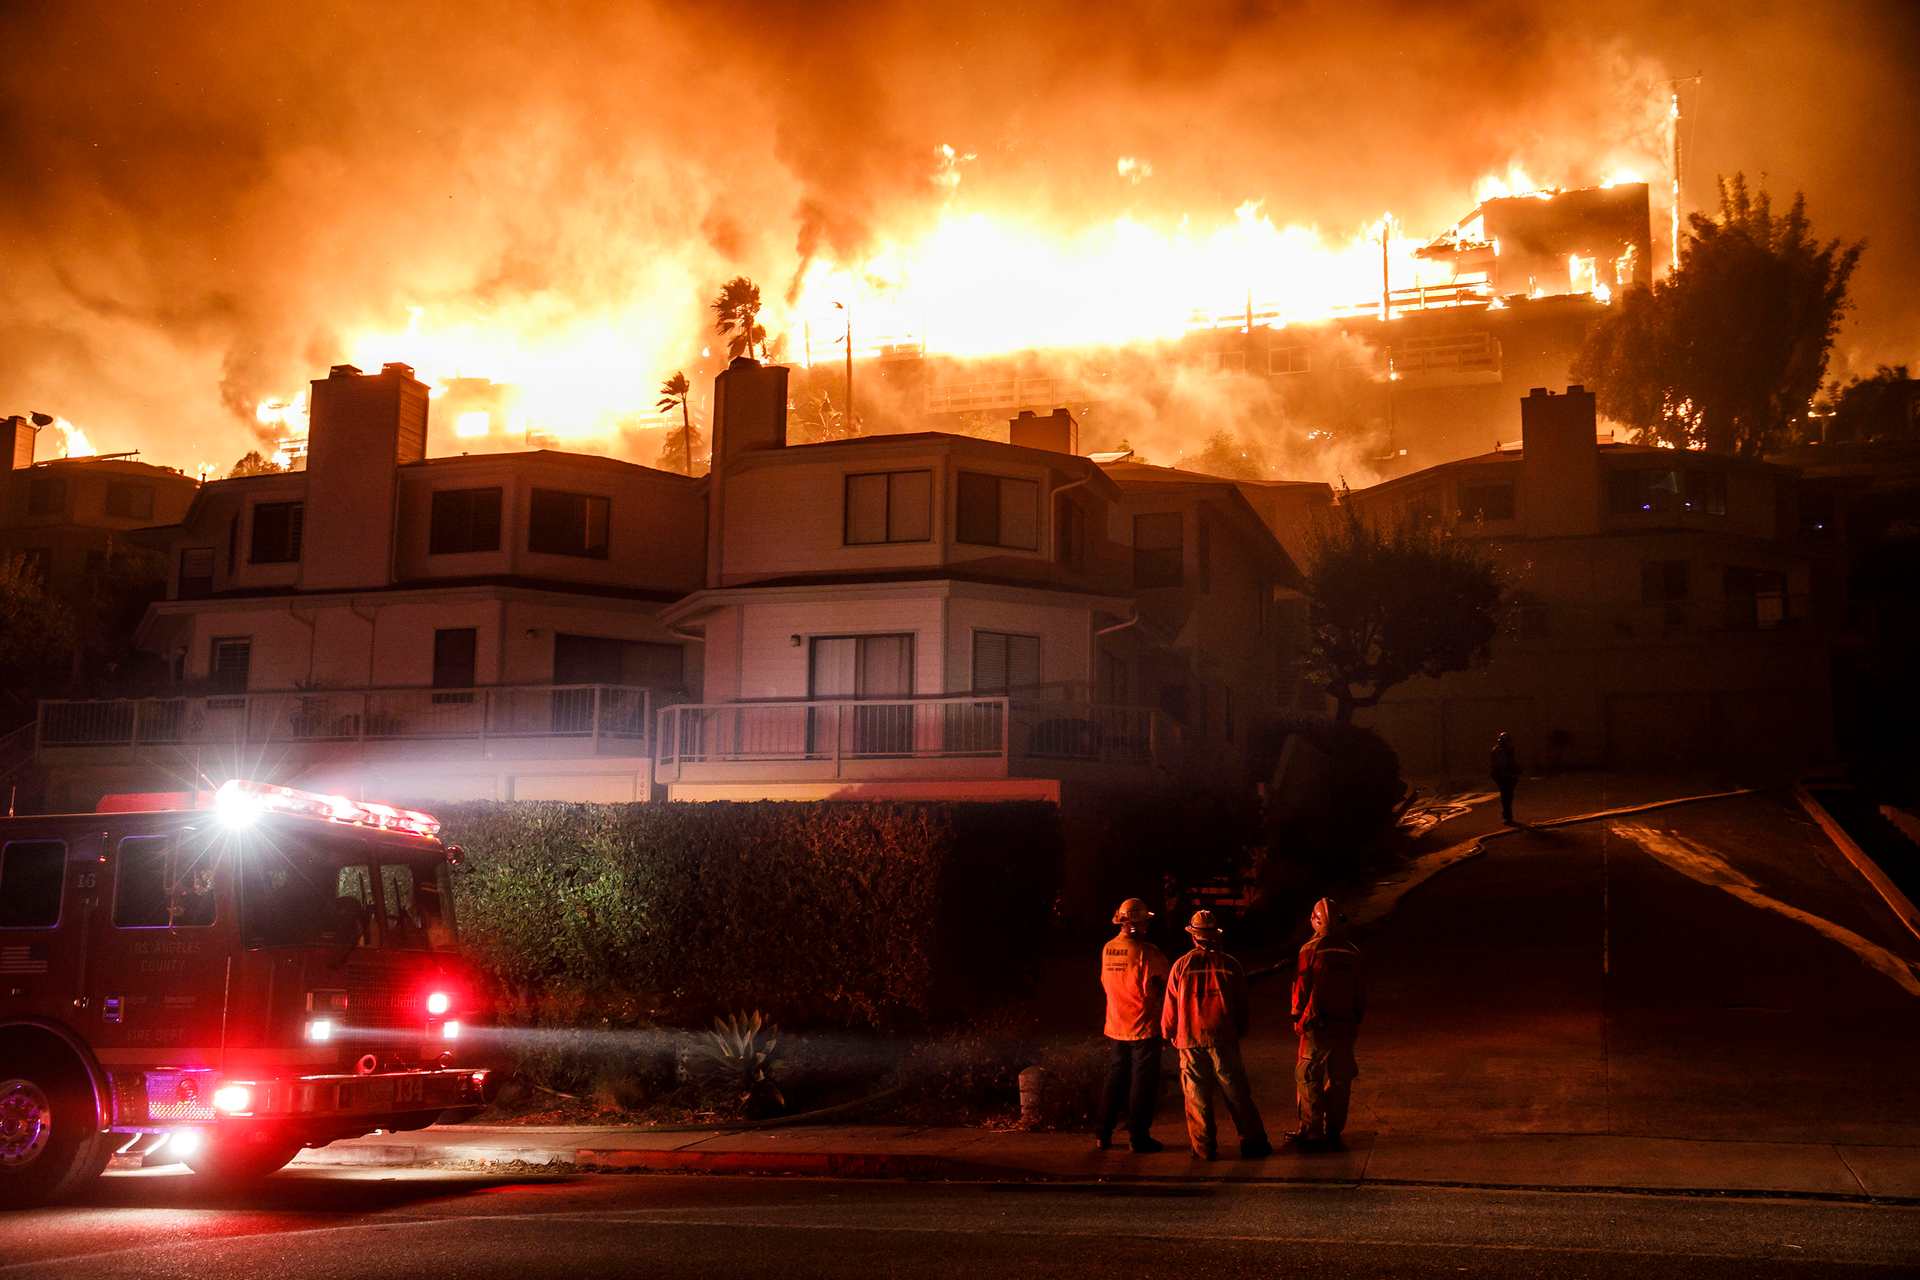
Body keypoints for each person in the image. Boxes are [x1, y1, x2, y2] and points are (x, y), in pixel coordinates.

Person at [1159, 910, 1270, 1161]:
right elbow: (1242, 1003)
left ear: (1194, 936)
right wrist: (1239, 1030)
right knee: (1236, 1092)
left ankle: (1204, 1147)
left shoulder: (1181, 965)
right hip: (1223, 1038)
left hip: (1189, 1038)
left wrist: (1168, 1032)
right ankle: (1253, 1142)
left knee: (1196, 1095)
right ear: (1215, 935)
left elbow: (1170, 1005)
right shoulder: (1229, 964)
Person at [1287, 897, 1366, 1148]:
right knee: (1340, 1078)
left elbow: (1301, 988)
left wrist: (1297, 1016)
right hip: (1346, 1024)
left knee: (1308, 1076)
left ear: (1314, 920)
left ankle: (1311, 1133)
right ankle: (1334, 1131)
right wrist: (1354, 1020)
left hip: (1317, 1026)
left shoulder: (1310, 949)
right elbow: (1359, 993)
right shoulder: (1353, 952)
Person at [1095, 898, 1170, 1153]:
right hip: (1143, 1027)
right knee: (1142, 1082)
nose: (1148, 925)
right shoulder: (1148, 953)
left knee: (1114, 1078)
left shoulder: (1107, 949)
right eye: (1144, 921)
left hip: (1116, 1025)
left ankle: (1102, 1134)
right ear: (1136, 923)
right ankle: (1138, 1137)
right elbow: (1163, 988)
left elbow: (1106, 983)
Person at [1490, 731, 1521, 826]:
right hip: (1502, 776)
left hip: (1509, 776)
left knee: (1508, 796)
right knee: (1505, 796)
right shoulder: (1497, 751)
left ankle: (1507, 815)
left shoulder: (1510, 750)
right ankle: (1507, 815)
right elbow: (1496, 764)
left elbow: (1514, 763)